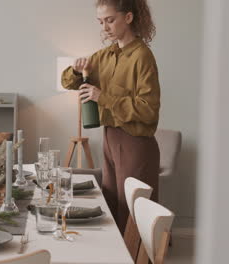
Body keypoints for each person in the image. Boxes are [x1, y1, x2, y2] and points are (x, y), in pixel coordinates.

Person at [61, 0, 160, 234]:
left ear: (128, 17)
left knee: (133, 211)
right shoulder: (105, 56)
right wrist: (76, 70)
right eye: (101, 21)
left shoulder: (142, 56)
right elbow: (67, 82)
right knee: (111, 203)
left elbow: (148, 110)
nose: (105, 27)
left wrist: (102, 97)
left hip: (136, 142)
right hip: (110, 138)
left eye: (110, 20)